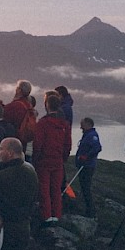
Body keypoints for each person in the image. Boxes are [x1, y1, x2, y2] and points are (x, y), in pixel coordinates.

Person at [32, 93, 72, 223]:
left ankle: (47, 216)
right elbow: (68, 144)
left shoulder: (42, 123)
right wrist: (63, 158)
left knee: (44, 189)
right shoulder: (64, 125)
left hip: (44, 160)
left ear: (47, 105)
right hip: (58, 161)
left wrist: (35, 159)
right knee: (56, 188)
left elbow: (38, 143)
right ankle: (57, 215)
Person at [75, 118, 102, 218]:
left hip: (87, 167)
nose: (81, 127)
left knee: (86, 188)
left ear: (88, 124)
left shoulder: (92, 135)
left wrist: (87, 157)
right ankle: (88, 210)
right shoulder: (87, 135)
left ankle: (90, 211)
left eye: (82, 124)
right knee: (84, 188)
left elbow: (97, 148)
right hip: (84, 166)